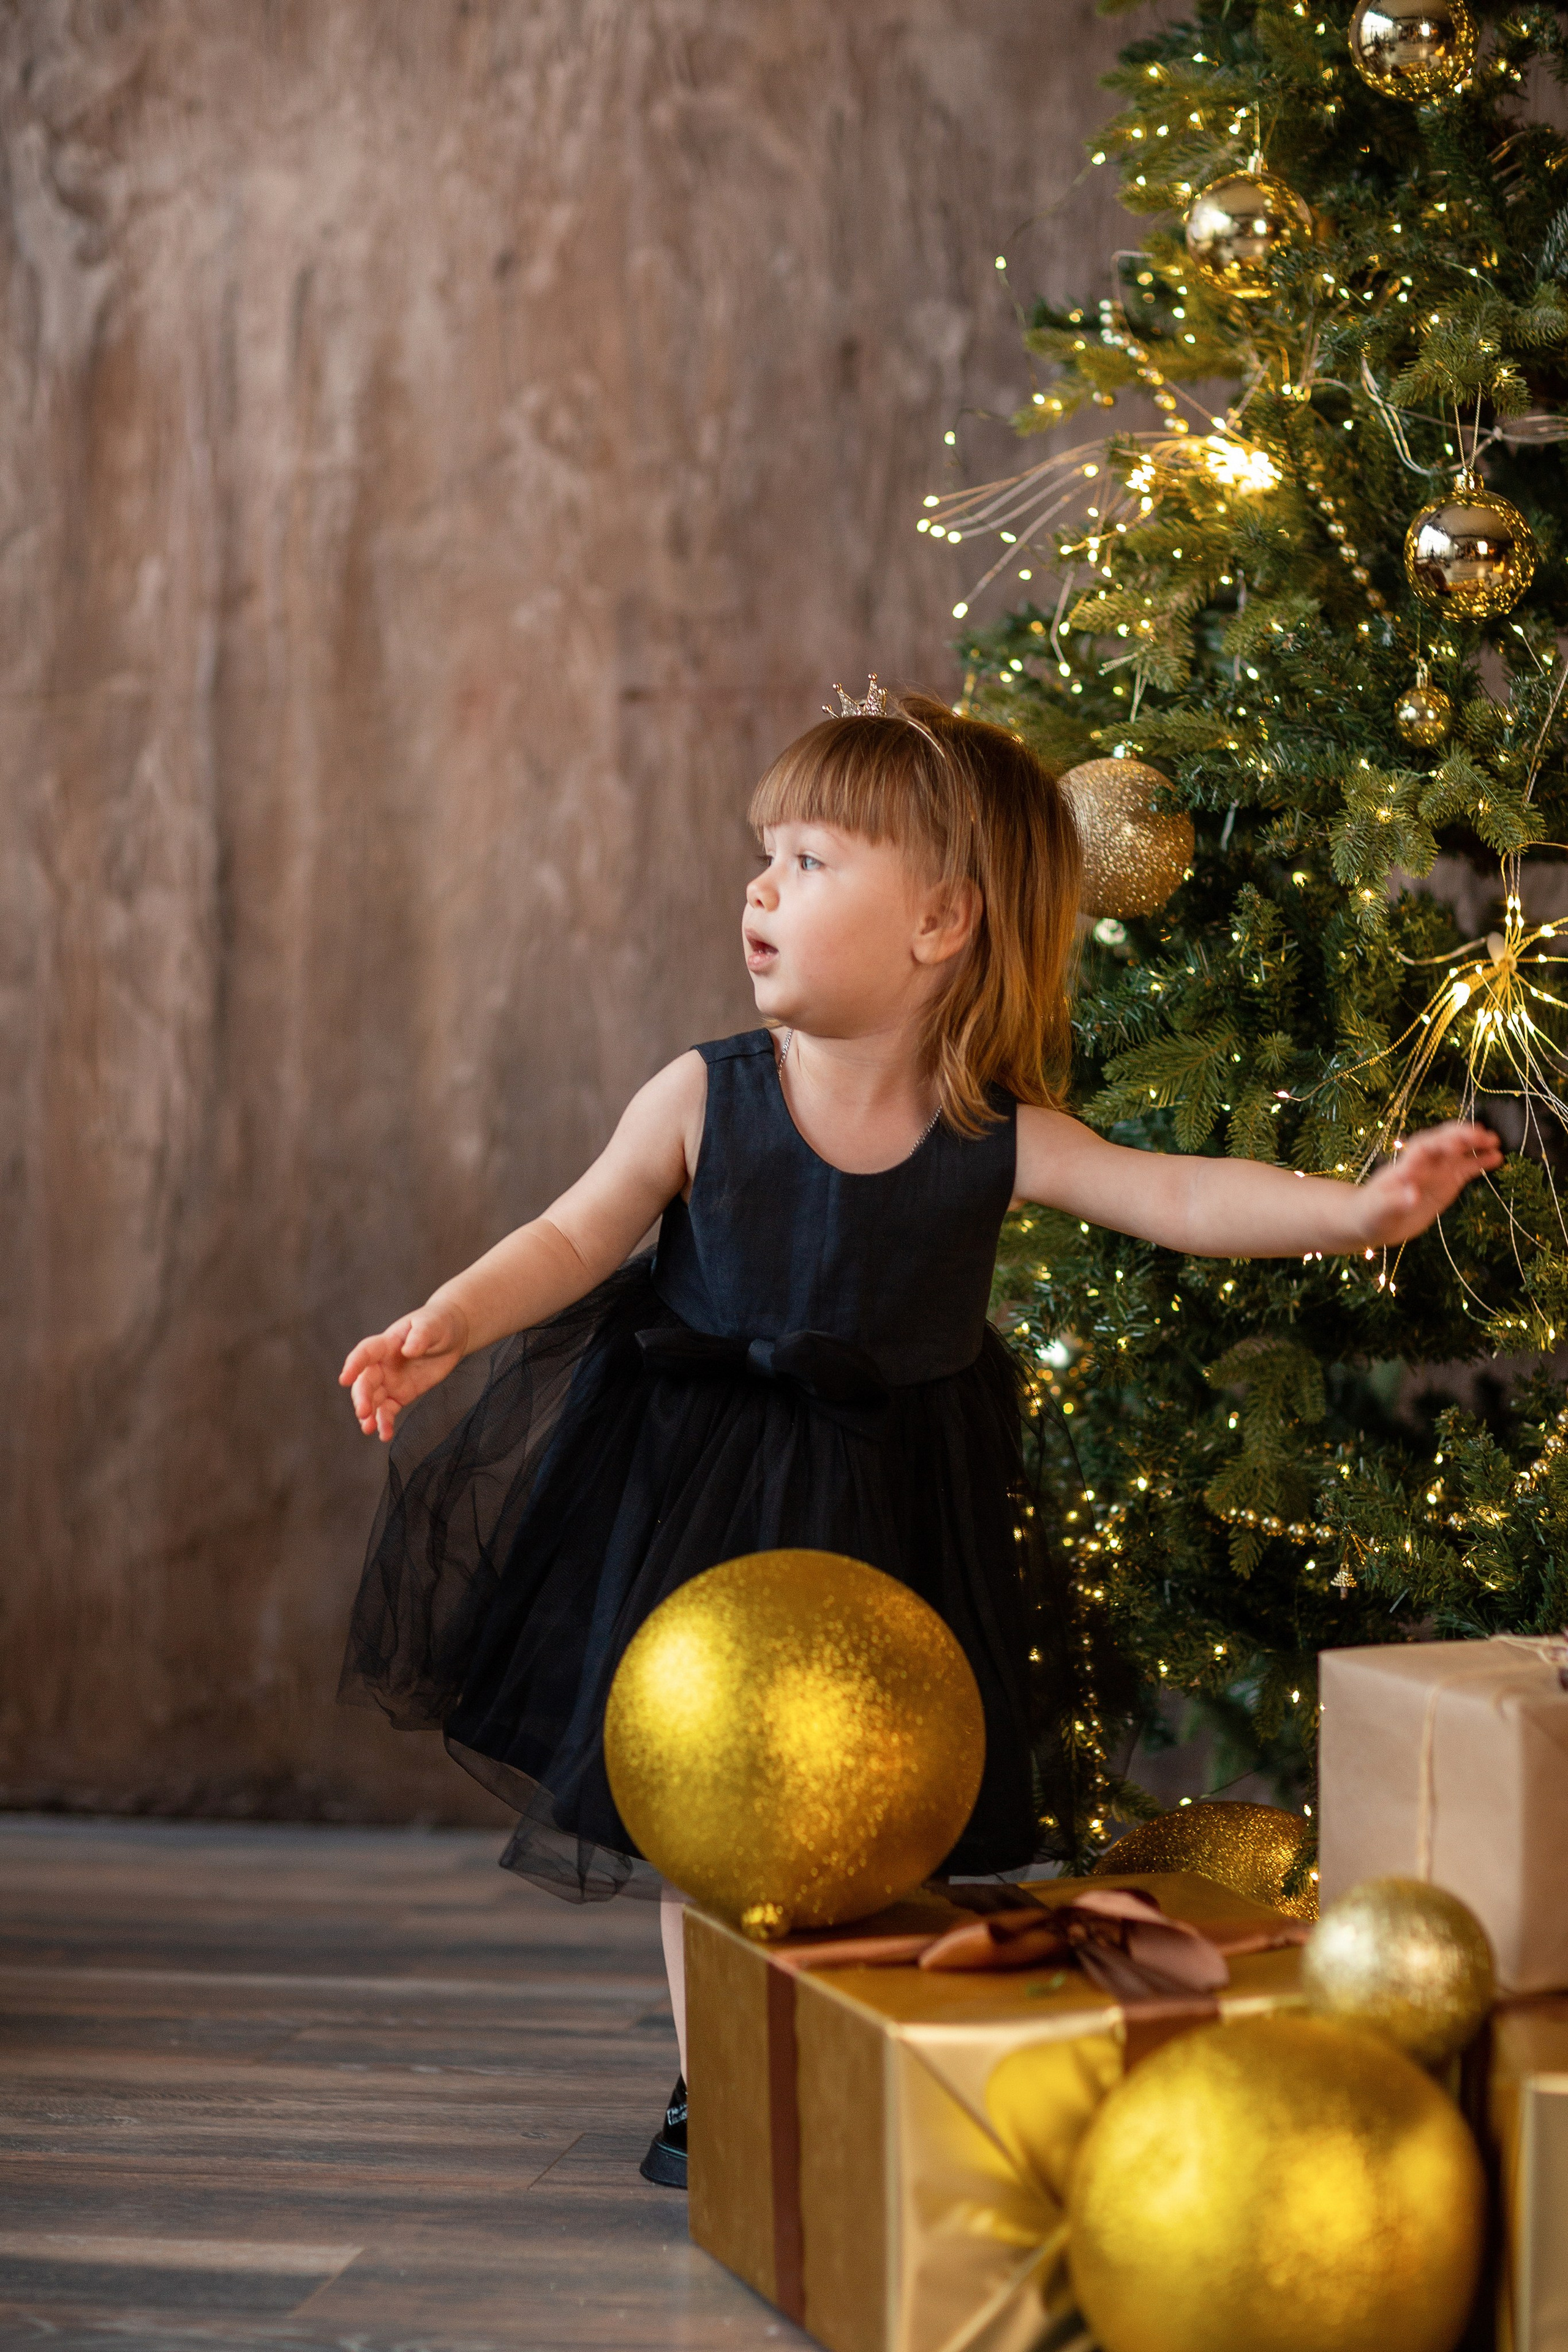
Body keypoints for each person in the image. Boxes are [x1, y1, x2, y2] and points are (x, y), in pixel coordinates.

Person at [337, 682, 1499, 2189]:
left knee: (876, 1813)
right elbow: (572, 1235)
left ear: (941, 922)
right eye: (764, 855)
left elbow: (1175, 1193)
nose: (759, 889)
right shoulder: (705, 1096)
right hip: (700, 1498)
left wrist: (1355, 1211)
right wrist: (449, 1320)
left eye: (809, 861)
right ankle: (714, 2084)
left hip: (898, 1512)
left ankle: (849, 2058)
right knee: (716, 1802)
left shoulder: (990, 1135)